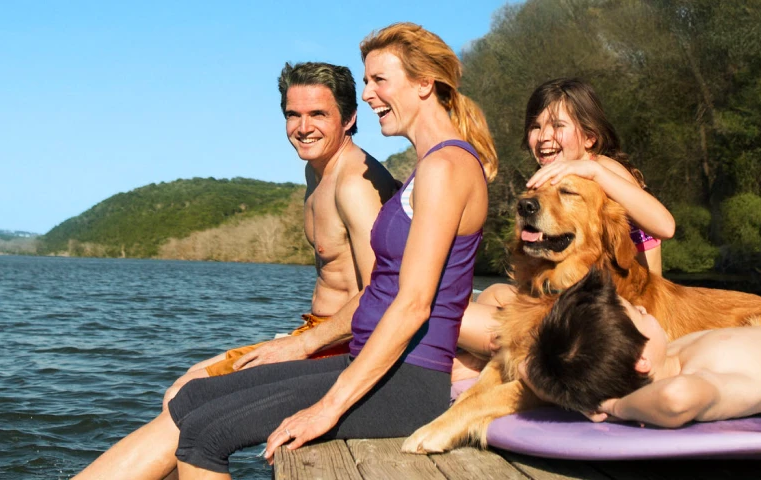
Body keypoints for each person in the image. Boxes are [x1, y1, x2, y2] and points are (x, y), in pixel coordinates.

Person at [74, 22, 498, 479]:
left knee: (206, 437)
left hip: (408, 381)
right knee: (193, 401)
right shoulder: (427, 167)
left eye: (379, 80)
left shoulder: (448, 166)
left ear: (422, 84)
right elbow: (387, 288)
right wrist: (305, 347)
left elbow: (413, 304)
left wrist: (328, 407)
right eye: (368, 80)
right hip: (371, 361)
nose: (370, 94)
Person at [160, 62, 401, 408]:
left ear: (348, 119)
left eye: (318, 114)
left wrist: (300, 346)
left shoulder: (354, 185)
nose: (303, 128)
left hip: (344, 346)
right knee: (187, 381)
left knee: (185, 397)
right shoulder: (316, 171)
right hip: (317, 333)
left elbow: (380, 294)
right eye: (293, 115)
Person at [452, 78, 677, 386]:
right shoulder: (555, 179)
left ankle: (484, 366)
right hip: (577, 292)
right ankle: (478, 365)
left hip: (624, 307)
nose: (544, 136)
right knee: (491, 293)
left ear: (589, 138)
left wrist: (594, 171)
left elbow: (665, 226)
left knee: (466, 320)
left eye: (557, 125)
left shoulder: (603, 171)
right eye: (535, 126)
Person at [518, 269, 761, 451]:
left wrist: (585, 401)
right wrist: (613, 405)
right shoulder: (698, 379)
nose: (642, 306)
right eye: (637, 314)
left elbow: (528, 368)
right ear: (641, 360)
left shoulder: (668, 357)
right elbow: (676, 400)